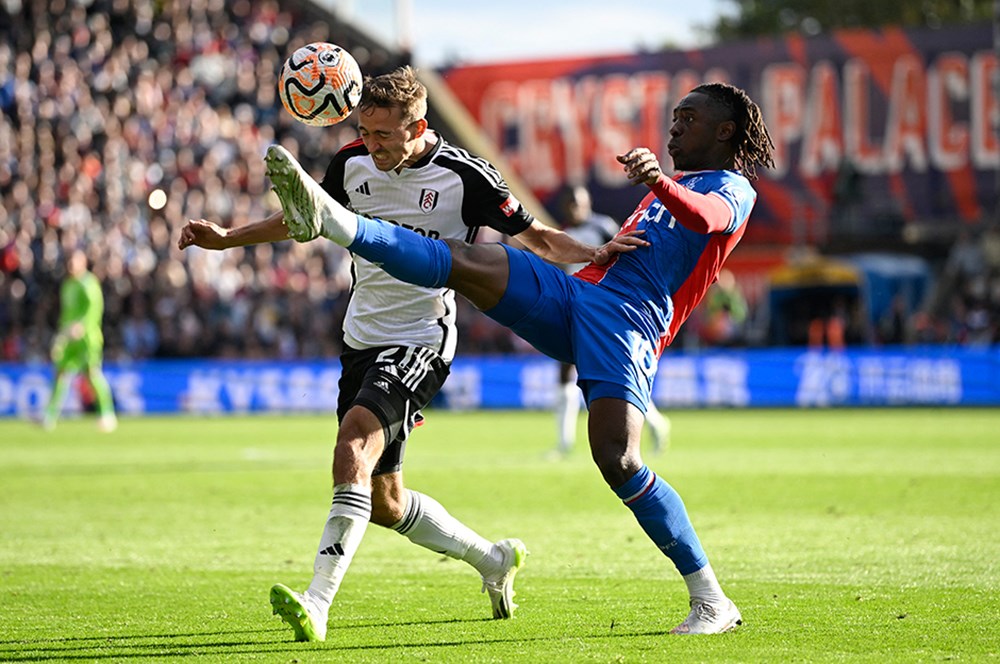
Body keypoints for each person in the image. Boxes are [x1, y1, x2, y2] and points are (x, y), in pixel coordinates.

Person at [263, 81, 775, 634]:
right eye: (674, 117)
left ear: (725, 131)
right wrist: (602, 245)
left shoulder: (731, 188)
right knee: (471, 258)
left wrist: (658, 182)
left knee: (617, 460)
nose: (674, 127)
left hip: (628, 324)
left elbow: (705, 220)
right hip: (578, 293)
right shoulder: (673, 186)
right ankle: (339, 223)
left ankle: (711, 601)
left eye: (688, 118)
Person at [178, 65, 618, 642]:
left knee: (353, 444)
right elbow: (306, 221)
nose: (371, 143)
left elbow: (535, 237)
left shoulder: (465, 176)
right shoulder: (350, 162)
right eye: (365, 130)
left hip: (421, 337)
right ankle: (493, 560)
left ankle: (317, 601)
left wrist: (596, 253)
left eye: (383, 134)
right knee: (384, 501)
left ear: (419, 126)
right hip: (360, 336)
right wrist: (228, 239)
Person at [550, 185, 670, 458]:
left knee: (618, 372)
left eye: (579, 202)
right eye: (570, 203)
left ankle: (655, 421)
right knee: (564, 371)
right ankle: (564, 444)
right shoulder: (564, 234)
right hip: (574, 306)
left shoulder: (603, 227)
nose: (575, 207)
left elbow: (624, 258)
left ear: (588, 202)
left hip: (604, 309)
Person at [42, 248, 118, 432]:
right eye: (69, 261)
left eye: (74, 261)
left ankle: (107, 414)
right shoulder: (67, 285)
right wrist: (61, 336)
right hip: (69, 338)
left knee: (92, 374)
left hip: (87, 338)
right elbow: (66, 313)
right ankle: (49, 416)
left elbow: (93, 311)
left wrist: (82, 326)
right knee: (60, 373)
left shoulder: (89, 283)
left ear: (83, 262)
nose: (70, 265)